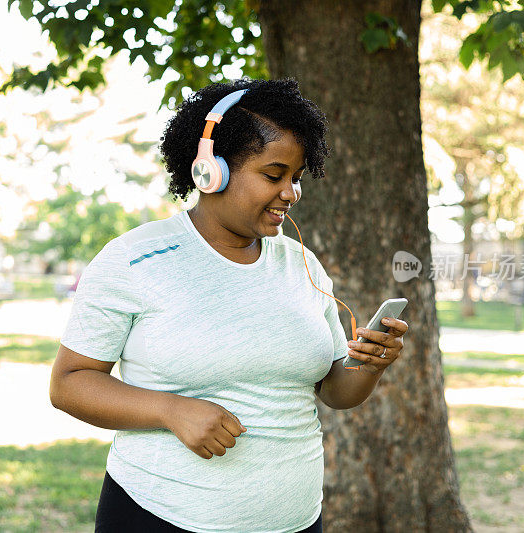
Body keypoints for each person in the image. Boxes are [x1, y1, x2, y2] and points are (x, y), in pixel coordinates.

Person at [50, 78, 408, 533]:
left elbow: (335, 392)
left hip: (295, 521)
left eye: (296, 179)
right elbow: (69, 384)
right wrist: (170, 410)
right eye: (273, 175)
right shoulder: (136, 259)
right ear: (210, 170)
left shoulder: (301, 262)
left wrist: (370, 364)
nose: (291, 193)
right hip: (161, 517)